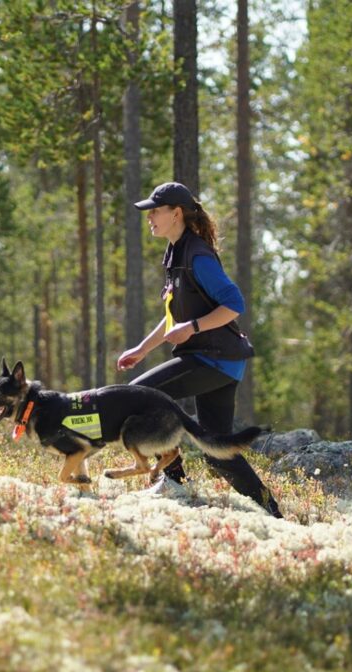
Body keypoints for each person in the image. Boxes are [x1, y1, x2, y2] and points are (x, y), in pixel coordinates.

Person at [117, 181, 282, 517]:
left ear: (176, 214)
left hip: (214, 360)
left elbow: (234, 304)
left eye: (156, 211)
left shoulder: (198, 256)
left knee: (139, 395)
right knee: (215, 450)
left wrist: (191, 328)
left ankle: (173, 479)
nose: (149, 217)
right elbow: (172, 318)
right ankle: (274, 513)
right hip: (218, 361)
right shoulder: (175, 254)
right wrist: (142, 348)